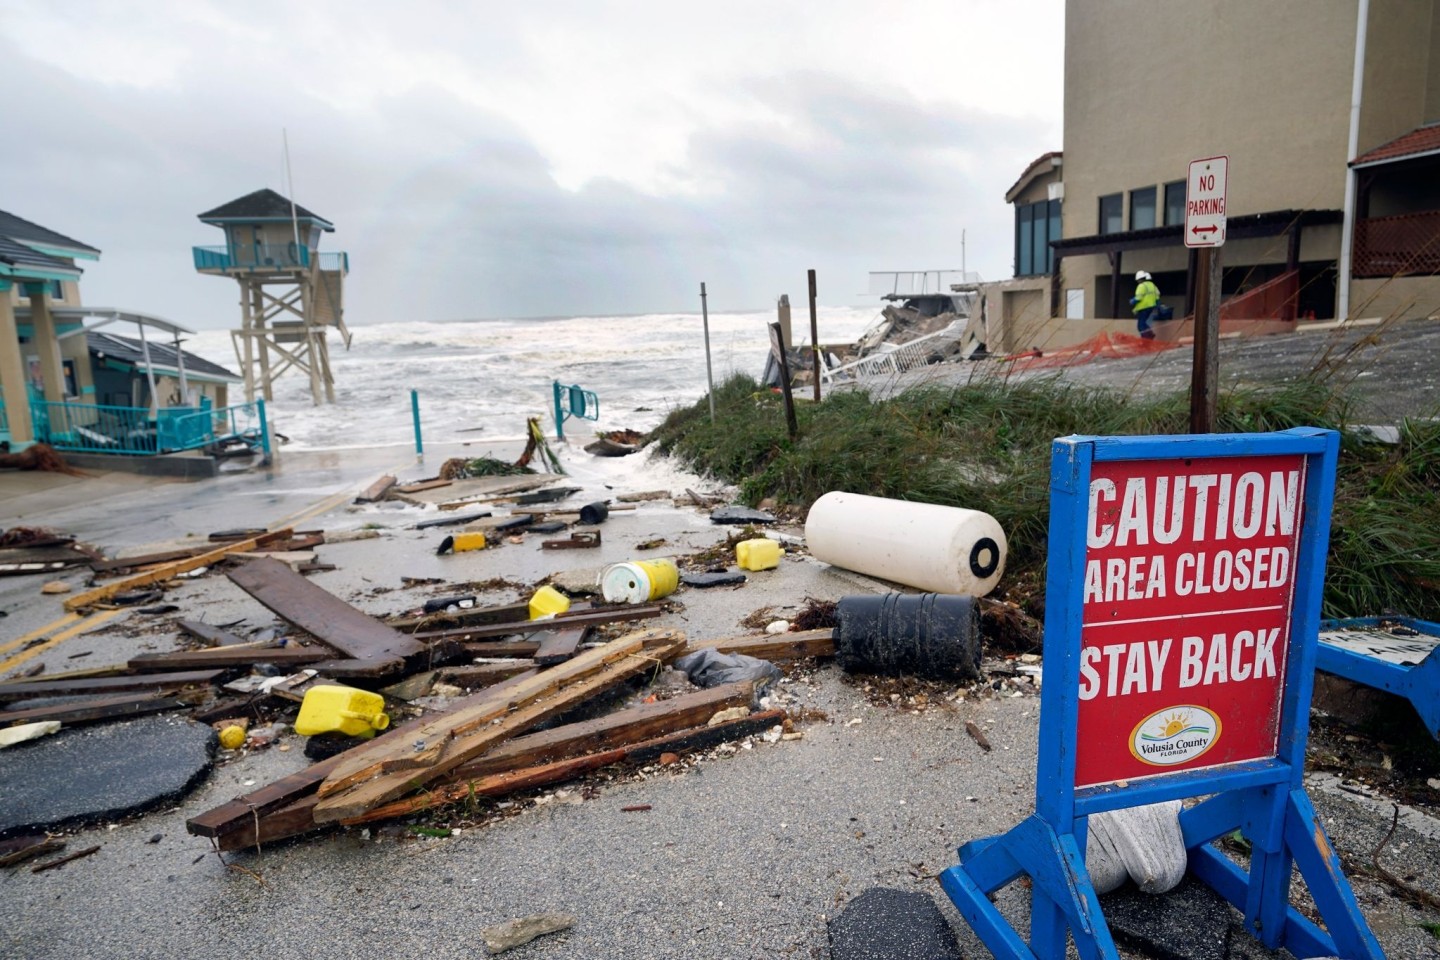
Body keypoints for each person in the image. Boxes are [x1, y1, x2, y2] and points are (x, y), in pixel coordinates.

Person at [1131, 270, 1161, 339]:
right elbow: (1157, 296)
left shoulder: (1141, 286)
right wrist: (1157, 305)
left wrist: (1132, 301)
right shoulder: (1153, 285)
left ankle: (1146, 338)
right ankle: (1148, 335)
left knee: (1141, 325)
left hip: (1143, 308)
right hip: (1151, 307)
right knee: (1145, 324)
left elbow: (1139, 298)